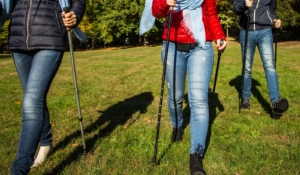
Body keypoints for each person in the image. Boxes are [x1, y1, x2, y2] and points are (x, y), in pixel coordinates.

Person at [140, 0, 227, 174]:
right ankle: (178, 125)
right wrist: (165, 2)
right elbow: (156, 11)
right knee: (175, 96)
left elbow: (210, 12)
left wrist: (219, 35)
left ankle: (196, 154)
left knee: (199, 100)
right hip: (172, 45)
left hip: (201, 45)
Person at [6, 0, 85, 174]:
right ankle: (45, 140)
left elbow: (78, 1)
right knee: (34, 98)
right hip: (19, 39)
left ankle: (19, 169)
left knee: (32, 103)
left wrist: (75, 15)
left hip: (50, 37)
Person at [233, 0, 289, 119]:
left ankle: (276, 102)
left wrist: (275, 20)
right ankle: (246, 98)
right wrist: (244, 4)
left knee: (270, 67)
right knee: (247, 68)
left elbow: (272, 10)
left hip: (265, 32)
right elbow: (235, 8)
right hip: (247, 31)